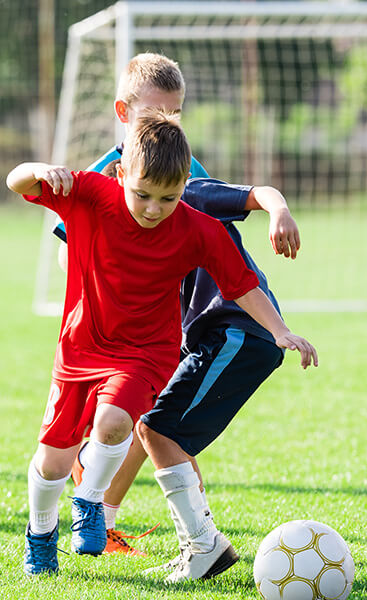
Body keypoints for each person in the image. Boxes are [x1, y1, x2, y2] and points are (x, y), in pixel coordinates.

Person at [7, 111, 317, 577]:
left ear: (184, 187)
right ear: (120, 175)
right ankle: (40, 534)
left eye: (168, 199)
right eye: (143, 195)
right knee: (52, 463)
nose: (154, 208)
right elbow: (17, 183)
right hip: (80, 347)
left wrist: (279, 330)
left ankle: (90, 502)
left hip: (145, 353)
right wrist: (36, 170)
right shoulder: (90, 195)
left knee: (114, 424)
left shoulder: (198, 228)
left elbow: (242, 284)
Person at [55, 52, 303, 557]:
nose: (168, 127)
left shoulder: (182, 172)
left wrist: (277, 207)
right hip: (152, 328)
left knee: (153, 425)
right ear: (124, 114)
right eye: (154, 116)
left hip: (212, 323)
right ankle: (177, 536)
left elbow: (231, 213)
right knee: (152, 424)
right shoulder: (107, 178)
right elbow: (75, 254)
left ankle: (181, 538)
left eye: (176, 115)